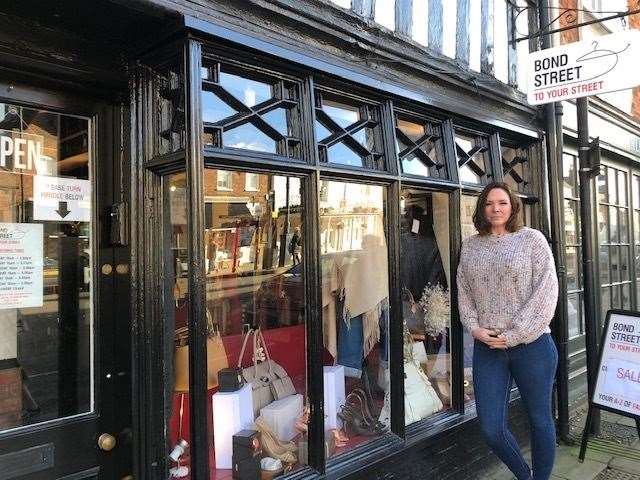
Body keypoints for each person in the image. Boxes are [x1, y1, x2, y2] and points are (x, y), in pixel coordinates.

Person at [456, 182, 559, 480]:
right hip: (488, 348)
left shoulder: (532, 240)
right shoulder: (471, 245)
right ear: (481, 209)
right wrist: (473, 328)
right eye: (489, 203)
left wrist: (514, 335)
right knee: (490, 427)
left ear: (512, 206)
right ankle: (524, 475)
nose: (495, 209)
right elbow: (463, 290)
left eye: (502, 203)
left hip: (533, 346)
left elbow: (546, 292)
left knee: (539, 420)